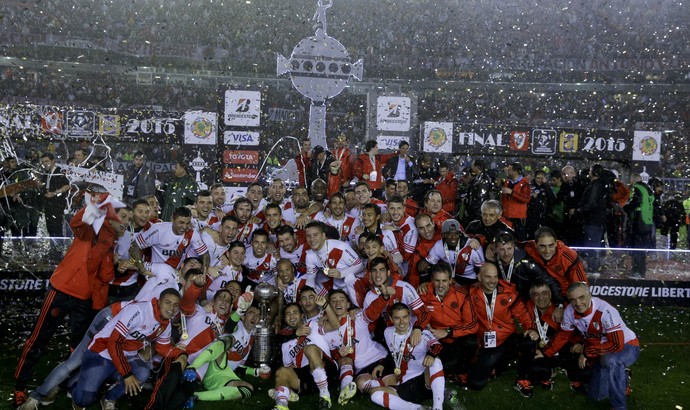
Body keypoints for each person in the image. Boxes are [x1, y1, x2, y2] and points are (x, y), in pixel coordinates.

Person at [13, 189, 127, 407]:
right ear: (110, 215)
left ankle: (64, 385)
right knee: (39, 340)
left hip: (84, 299)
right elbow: (78, 222)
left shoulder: (110, 241)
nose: (125, 223)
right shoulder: (91, 229)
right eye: (123, 217)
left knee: (77, 346)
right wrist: (96, 204)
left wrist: (115, 263)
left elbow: (105, 276)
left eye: (128, 219)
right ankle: (20, 387)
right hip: (62, 291)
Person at [70, 288, 188, 409]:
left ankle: (109, 397)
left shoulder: (166, 323)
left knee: (142, 373)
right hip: (101, 352)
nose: (171, 308)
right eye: (167, 302)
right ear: (158, 302)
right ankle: (75, 386)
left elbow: (163, 348)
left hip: (127, 355)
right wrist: (127, 374)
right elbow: (113, 344)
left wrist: (182, 354)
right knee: (83, 400)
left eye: (176, 305)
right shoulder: (139, 311)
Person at [537, 282, 639, 410]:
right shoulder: (570, 311)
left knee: (612, 360)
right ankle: (622, 377)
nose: (578, 303)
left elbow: (616, 345)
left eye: (581, 298)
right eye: (573, 300)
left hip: (627, 346)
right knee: (596, 397)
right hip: (601, 351)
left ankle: (619, 406)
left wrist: (587, 352)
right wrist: (546, 352)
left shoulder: (606, 311)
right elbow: (563, 335)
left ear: (589, 295)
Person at [466, 263, 539, 397]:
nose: (492, 281)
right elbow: (450, 290)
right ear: (479, 277)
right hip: (487, 341)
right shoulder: (470, 293)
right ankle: (496, 365)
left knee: (529, 341)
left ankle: (522, 379)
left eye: (495, 277)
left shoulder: (508, 293)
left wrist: (530, 328)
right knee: (476, 383)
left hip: (507, 337)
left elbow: (522, 314)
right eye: (488, 277)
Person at [370, 302, 445, 410]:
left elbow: (437, 346)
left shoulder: (420, 333)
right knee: (374, 394)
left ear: (409, 316)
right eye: (397, 318)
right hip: (406, 384)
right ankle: (419, 408)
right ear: (391, 319)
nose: (401, 322)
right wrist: (383, 365)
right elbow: (394, 353)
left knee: (436, 361)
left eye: (405, 317)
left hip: (425, 381)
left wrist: (430, 355)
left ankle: (438, 407)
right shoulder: (388, 332)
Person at [418, 263, 478, 385]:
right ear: (432, 280)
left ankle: (462, 371)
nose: (441, 285)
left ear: (451, 280)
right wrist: (427, 326)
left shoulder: (461, 295)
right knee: (440, 365)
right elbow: (418, 316)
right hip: (436, 339)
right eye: (437, 281)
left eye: (444, 281)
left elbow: (472, 324)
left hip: (456, 337)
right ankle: (450, 369)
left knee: (472, 341)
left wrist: (449, 332)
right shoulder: (423, 294)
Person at [523, 226, 588, 300]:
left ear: (556, 243)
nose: (547, 251)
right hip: (540, 297)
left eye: (551, 245)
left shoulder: (569, 257)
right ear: (535, 245)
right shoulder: (528, 248)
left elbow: (582, 287)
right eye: (542, 246)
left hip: (565, 297)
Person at [572, 164, 610, 274]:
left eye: (591, 170)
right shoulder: (603, 185)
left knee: (591, 245)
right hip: (598, 221)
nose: (589, 172)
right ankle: (594, 268)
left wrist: (578, 210)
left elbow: (591, 204)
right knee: (594, 245)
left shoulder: (596, 186)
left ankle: (593, 269)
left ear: (595, 172)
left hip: (593, 221)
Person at [425, 219, 484, 286]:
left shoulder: (473, 246)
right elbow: (431, 265)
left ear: (460, 234)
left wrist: (479, 282)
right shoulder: (438, 246)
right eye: (449, 234)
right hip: (449, 278)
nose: (453, 237)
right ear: (443, 235)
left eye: (456, 233)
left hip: (471, 279)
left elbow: (482, 269)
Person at [37, 152, 71, 253]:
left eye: (47, 161)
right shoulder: (46, 173)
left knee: (57, 227)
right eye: (43, 162)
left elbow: (67, 185)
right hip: (48, 203)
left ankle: (59, 250)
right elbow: (44, 185)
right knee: (50, 227)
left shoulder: (59, 171)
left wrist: (55, 193)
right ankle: (53, 250)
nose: (45, 164)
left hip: (58, 204)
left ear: (53, 161)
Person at [623, 173, 655, 279]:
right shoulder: (649, 189)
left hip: (639, 221)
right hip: (648, 221)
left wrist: (626, 207)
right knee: (642, 249)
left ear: (633, 181)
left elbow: (635, 202)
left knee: (637, 248)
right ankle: (642, 271)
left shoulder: (637, 188)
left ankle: (637, 272)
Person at [501, 162, 531, 241]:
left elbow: (526, 199)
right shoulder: (507, 182)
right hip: (507, 215)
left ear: (515, 172)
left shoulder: (525, 183)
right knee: (507, 238)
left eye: (509, 170)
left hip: (518, 216)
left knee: (520, 238)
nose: (507, 171)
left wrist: (512, 193)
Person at [464, 159, 497, 226]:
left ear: (477, 167)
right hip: (476, 209)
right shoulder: (478, 177)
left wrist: (479, 211)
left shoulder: (483, 179)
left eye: (473, 165)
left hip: (479, 210)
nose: (472, 167)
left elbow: (482, 196)